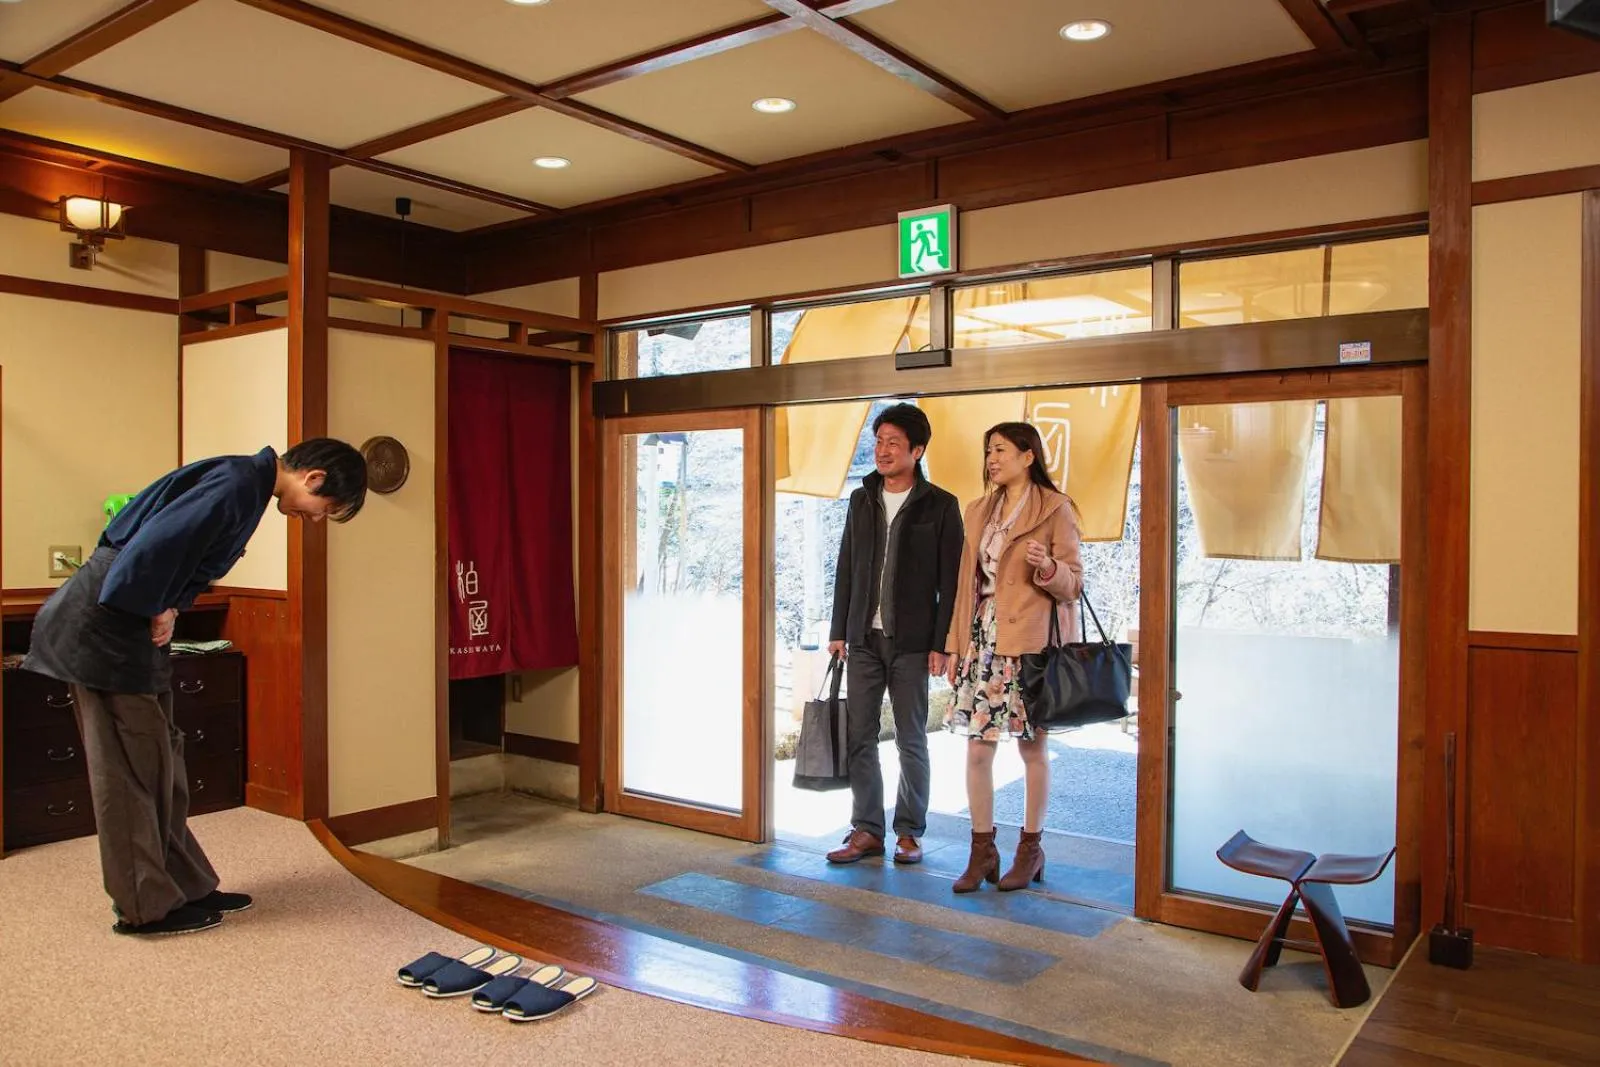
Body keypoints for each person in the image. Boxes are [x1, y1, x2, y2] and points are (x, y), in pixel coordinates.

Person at [23, 440, 368, 936]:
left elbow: (171, 554)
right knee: (129, 772)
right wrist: (159, 606)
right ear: (313, 478)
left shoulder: (245, 485)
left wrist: (168, 605)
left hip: (124, 625)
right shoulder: (235, 484)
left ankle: (185, 885)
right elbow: (146, 555)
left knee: (161, 762)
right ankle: (145, 907)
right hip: (104, 629)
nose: (315, 519)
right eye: (325, 509)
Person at [942, 422, 1082, 893]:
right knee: (977, 747)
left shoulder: (1056, 508)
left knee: (1032, 748)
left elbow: (1073, 585)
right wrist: (955, 646)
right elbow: (964, 586)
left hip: (1032, 644)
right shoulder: (978, 509)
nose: (992, 460)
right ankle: (982, 851)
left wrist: (1048, 566)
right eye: (988, 451)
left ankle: (1030, 849)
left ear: (1028, 456)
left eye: (1000, 450)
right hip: (983, 639)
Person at [826, 404, 963, 866]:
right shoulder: (861, 498)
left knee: (911, 738)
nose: (882, 451)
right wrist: (839, 629)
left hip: (913, 643)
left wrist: (941, 643)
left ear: (917, 450)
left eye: (893, 443)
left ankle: (908, 832)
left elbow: (950, 582)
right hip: (863, 639)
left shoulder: (940, 505)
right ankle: (867, 829)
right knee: (860, 736)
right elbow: (846, 565)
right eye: (878, 441)